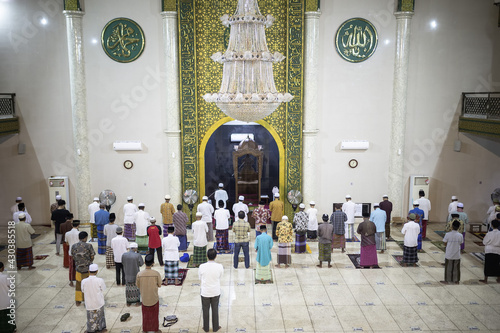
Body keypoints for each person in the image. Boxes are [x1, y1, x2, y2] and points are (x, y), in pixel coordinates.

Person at [199, 248, 224, 333]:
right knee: (215, 310)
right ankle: (215, 327)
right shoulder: (219, 266)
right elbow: (220, 276)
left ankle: (206, 328)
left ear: (207, 256)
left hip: (205, 292)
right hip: (215, 291)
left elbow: (200, 277)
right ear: (216, 256)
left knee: (205, 310)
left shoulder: (202, 266)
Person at [136, 254, 163, 333]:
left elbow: (138, 285)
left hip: (144, 298)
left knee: (145, 315)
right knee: (155, 315)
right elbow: (159, 284)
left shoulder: (139, 274)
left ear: (144, 262)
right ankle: (155, 330)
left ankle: (145, 330)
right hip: (154, 298)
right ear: (153, 263)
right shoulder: (156, 273)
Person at [71, 231, 95, 306]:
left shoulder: (74, 246)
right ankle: (87, 299)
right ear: (85, 238)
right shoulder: (89, 246)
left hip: (78, 269)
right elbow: (92, 256)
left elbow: (72, 256)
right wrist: (89, 262)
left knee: (78, 284)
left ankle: (78, 300)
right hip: (87, 269)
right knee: (88, 285)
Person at [81, 264, 107, 333]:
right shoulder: (100, 280)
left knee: (90, 318)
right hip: (98, 302)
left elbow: (83, 290)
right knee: (100, 316)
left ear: (89, 271)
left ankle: (91, 330)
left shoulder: (84, 281)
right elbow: (103, 289)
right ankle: (101, 329)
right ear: (97, 271)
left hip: (89, 303)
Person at [441, 220, 464, 284]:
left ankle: (447, 280)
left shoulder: (448, 234)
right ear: (459, 227)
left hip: (449, 253)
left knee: (448, 267)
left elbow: (444, 243)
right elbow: (461, 243)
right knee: (456, 268)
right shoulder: (460, 235)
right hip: (457, 253)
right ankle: (456, 280)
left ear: (452, 226)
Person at [480, 219, 500, 284]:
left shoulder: (489, 233)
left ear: (491, 225)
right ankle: (498, 279)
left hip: (489, 250)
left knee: (488, 265)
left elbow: (484, 242)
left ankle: (485, 279)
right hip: (498, 250)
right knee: (497, 264)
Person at [0, 262, 16, 333]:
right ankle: (11, 329)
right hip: (5, 301)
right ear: (2, 268)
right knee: (8, 316)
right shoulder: (5, 277)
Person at [65, 219, 80, 286]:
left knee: (71, 267)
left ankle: (71, 281)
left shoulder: (67, 233)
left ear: (71, 225)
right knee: (78, 266)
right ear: (78, 225)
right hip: (78, 252)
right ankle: (79, 280)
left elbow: (67, 243)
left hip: (71, 252)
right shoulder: (79, 233)